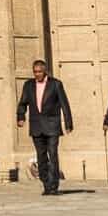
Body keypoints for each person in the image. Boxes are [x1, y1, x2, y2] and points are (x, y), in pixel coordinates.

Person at [16, 58, 73, 195]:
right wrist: (21, 117)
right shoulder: (28, 85)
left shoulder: (56, 84)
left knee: (52, 154)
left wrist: (68, 123)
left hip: (52, 126)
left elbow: (64, 104)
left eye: (39, 72)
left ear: (45, 71)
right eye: (35, 72)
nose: (37, 74)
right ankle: (46, 183)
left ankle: (54, 186)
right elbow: (23, 103)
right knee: (41, 157)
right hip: (36, 126)